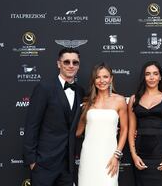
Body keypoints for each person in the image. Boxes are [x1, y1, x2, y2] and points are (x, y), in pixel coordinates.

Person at [23, 48, 85, 186]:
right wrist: (32, 161)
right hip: (44, 164)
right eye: (66, 62)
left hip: (67, 166)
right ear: (58, 64)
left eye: (75, 62)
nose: (71, 65)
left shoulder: (80, 91)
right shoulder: (44, 88)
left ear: (78, 65)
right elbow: (32, 125)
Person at [128, 61, 162, 186]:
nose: (151, 77)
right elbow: (131, 130)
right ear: (144, 77)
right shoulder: (134, 99)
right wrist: (134, 155)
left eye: (155, 74)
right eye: (148, 74)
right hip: (141, 155)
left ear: (160, 77)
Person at [77, 63, 128, 186]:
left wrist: (117, 156)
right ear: (93, 80)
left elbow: (125, 130)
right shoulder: (87, 103)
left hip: (109, 156)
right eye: (97, 77)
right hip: (88, 156)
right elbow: (78, 131)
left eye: (105, 77)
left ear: (111, 78)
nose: (101, 81)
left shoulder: (120, 101)